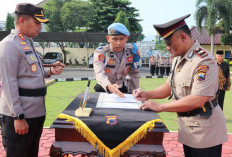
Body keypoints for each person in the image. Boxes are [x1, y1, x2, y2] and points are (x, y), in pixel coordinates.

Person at [133, 14, 227, 157]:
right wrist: (147, 94)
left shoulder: (203, 60)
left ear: (183, 37)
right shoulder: (179, 58)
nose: (168, 47)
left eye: (170, 43)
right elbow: (170, 86)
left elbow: (198, 99)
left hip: (205, 132)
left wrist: (160, 107)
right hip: (189, 128)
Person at [0, 3, 65, 157]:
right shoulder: (9, 45)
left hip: (36, 112)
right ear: (22, 20)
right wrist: (18, 116)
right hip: (20, 115)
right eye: (37, 23)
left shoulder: (28, 43)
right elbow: (9, 84)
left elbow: (31, 72)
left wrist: (49, 71)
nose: (40, 27)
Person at [93, 23, 141, 98]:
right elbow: (99, 73)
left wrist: (135, 91)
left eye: (122, 39)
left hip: (122, 88)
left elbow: (134, 74)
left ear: (126, 38)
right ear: (108, 38)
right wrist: (109, 86)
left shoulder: (132, 52)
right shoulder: (101, 52)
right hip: (104, 88)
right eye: (114, 39)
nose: (118, 43)